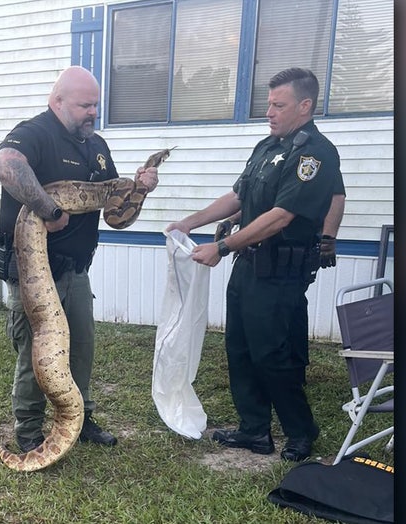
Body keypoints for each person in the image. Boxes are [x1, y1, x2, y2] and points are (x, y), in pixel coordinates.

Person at [166, 67, 345, 462]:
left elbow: (282, 215)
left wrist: (223, 246)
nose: (269, 111)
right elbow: (239, 196)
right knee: (240, 349)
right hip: (248, 267)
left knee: (272, 355)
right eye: (269, 103)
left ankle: (301, 432)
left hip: (280, 271)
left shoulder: (315, 153)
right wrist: (190, 222)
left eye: (278, 105)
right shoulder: (268, 147)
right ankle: (254, 430)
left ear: (304, 105)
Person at [0, 66, 159, 452]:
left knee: (81, 348)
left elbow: (116, 217)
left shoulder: (97, 147)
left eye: (96, 105)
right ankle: (29, 430)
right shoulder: (36, 133)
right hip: (35, 270)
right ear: (58, 101)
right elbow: (6, 165)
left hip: (77, 270)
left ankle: (79, 418)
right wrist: (49, 212)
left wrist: (140, 190)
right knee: (39, 351)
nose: (92, 112)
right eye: (86, 105)